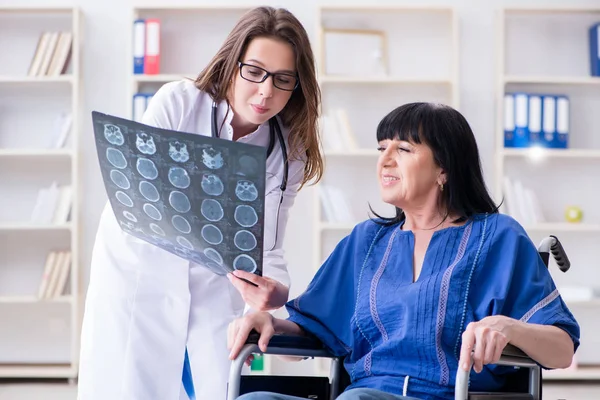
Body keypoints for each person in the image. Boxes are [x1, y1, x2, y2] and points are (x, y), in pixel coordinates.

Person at [228, 103, 580, 400]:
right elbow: (314, 331)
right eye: (382, 148)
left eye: (404, 150)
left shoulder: (497, 237)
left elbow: (562, 349)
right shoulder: (367, 241)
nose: (385, 161)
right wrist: (269, 324)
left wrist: (508, 327)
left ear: (444, 168)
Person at [78, 6, 322, 400]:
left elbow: (270, 245)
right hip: (142, 267)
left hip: (215, 280)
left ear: (297, 84)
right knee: (130, 384)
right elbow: (142, 191)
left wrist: (274, 292)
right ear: (232, 63)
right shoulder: (180, 101)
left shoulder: (287, 147)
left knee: (218, 385)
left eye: (283, 79)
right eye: (254, 72)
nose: (265, 91)